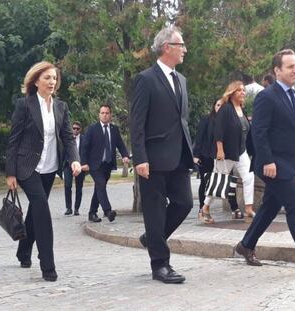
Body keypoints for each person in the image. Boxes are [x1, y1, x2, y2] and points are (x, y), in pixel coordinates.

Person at [235, 49, 295, 276]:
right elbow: (259, 133)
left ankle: (246, 245)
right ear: (277, 70)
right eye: (290, 67)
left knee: (271, 206)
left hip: (291, 164)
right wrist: (269, 160)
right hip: (273, 164)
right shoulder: (267, 96)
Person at [6, 61, 81, 282]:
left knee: (35, 211)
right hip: (27, 167)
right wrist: (10, 173)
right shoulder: (24, 105)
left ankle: (23, 250)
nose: (52, 82)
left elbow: (68, 137)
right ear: (36, 80)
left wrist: (75, 160)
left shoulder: (61, 107)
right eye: (47, 77)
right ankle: (47, 265)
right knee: (42, 209)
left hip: (50, 168)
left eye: (55, 78)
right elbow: (13, 140)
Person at [130, 26, 194, 284]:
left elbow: (182, 120)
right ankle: (160, 265)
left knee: (185, 203)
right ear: (167, 47)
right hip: (153, 158)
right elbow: (137, 123)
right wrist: (140, 158)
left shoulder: (182, 80)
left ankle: (152, 238)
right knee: (155, 212)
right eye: (181, 45)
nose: (185, 50)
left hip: (179, 156)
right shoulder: (146, 79)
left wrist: (192, 150)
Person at [200, 81, 256, 224]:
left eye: (244, 90)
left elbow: (245, 130)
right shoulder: (226, 109)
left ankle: (248, 208)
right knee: (218, 181)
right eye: (239, 90)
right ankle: (205, 208)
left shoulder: (241, 109)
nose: (243, 92)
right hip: (226, 152)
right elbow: (218, 130)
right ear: (232, 93)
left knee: (249, 177)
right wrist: (220, 150)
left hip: (241, 151)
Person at [81, 104, 129, 223]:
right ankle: (108, 211)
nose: (104, 115)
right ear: (99, 115)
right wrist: (84, 162)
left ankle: (92, 213)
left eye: (107, 113)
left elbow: (120, 144)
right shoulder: (92, 129)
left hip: (107, 164)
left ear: (110, 115)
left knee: (99, 188)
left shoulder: (114, 129)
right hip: (94, 165)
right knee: (101, 185)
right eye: (102, 113)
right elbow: (84, 147)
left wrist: (125, 155)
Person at [193, 99, 240, 218]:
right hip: (207, 156)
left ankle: (234, 207)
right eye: (218, 105)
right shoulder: (206, 119)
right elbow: (199, 137)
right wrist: (196, 155)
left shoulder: (230, 121)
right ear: (214, 106)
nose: (220, 108)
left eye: (223, 106)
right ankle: (201, 209)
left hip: (224, 157)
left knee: (227, 181)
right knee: (205, 182)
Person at [64, 121, 86, 216]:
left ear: (80, 129)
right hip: (68, 165)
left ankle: (76, 208)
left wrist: (84, 164)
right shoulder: (67, 138)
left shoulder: (84, 139)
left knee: (79, 187)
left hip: (80, 166)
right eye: (74, 128)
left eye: (77, 128)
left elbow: (86, 151)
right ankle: (68, 208)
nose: (75, 130)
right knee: (67, 186)